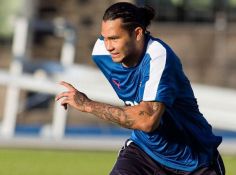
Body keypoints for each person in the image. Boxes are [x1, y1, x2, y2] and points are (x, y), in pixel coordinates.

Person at [55, 2, 225, 175]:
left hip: (195, 163)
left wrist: (87, 105)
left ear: (137, 33)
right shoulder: (102, 54)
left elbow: (147, 120)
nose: (108, 46)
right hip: (144, 154)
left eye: (114, 38)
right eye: (104, 38)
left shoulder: (158, 56)